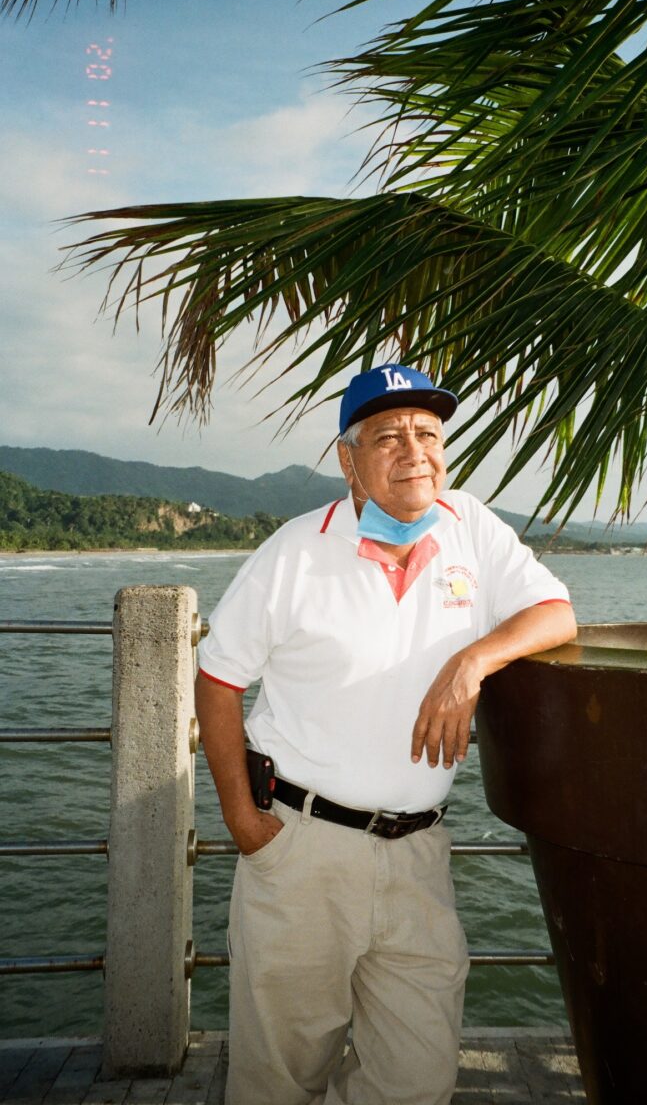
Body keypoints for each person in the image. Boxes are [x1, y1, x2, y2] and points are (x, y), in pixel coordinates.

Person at [195, 363, 577, 1105]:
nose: (415, 452)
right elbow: (218, 678)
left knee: (416, 1072)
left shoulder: (470, 524)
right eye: (389, 436)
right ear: (349, 458)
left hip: (419, 855)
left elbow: (556, 611)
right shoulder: (295, 551)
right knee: (280, 1075)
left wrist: (476, 658)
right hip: (303, 851)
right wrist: (242, 818)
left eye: (429, 434)